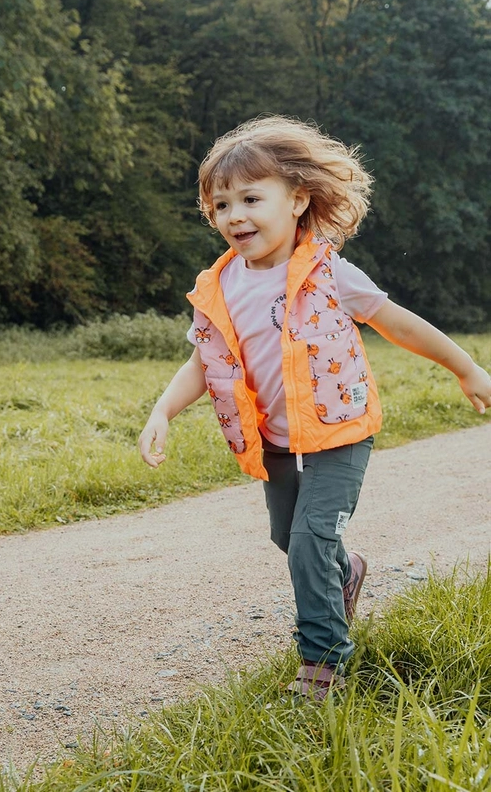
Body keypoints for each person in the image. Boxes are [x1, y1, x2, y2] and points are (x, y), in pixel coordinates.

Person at [138, 115, 491, 701]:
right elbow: (202, 363)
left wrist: (466, 367)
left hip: (338, 435)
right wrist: (162, 411)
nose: (235, 216)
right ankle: (345, 572)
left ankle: (323, 659)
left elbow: (394, 321)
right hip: (274, 440)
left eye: (251, 198)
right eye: (221, 205)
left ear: (298, 199)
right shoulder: (219, 286)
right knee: (290, 537)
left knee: (307, 542)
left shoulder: (327, 272)